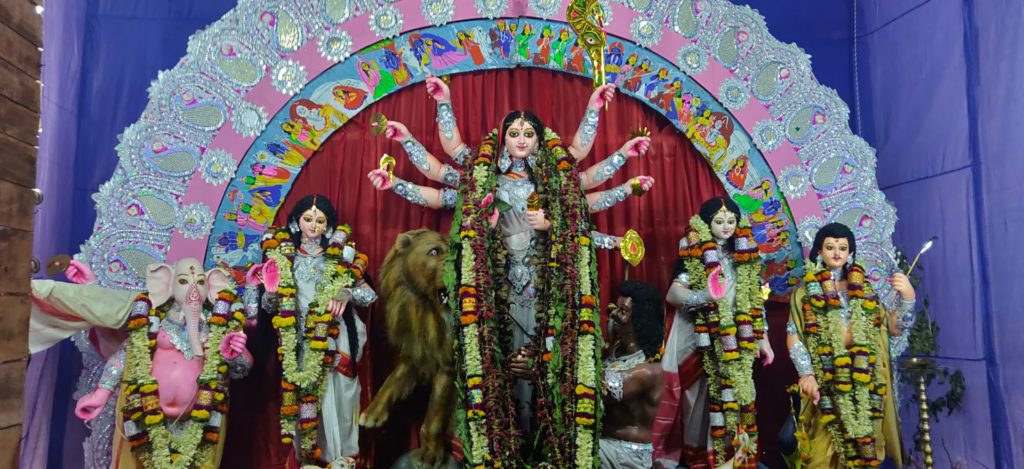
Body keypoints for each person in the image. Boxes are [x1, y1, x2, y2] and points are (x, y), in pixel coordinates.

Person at [366, 77, 652, 467]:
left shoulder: (554, 183)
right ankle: (501, 454)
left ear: (538, 140)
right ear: (502, 139)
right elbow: (439, 180)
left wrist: (618, 153)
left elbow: (590, 187)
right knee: (497, 375)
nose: (521, 139)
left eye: (528, 133)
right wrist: (402, 162)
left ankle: (546, 452)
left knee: (542, 371)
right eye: (514, 133)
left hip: (546, 297)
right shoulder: (483, 177)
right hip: (492, 298)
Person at [245, 194, 377, 467]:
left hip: (336, 339)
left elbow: (370, 296)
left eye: (320, 220)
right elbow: (271, 307)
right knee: (305, 405)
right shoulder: (283, 258)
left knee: (338, 400)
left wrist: (346, 292)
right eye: (308, 219)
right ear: (296, 222)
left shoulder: (342, 257)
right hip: (300, 343)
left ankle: (342, 460)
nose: (313, 226)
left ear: (329, 226)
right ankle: (309, 460)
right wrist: (270, 292)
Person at [653, 196, 773, 468]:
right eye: (719, 221)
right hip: (701, 338)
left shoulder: (746, 253)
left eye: (731, 220)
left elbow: (755, 299)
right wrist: (704, 296)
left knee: (740, 397)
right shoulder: (694, 250)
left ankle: (737, 458)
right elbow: (673, 294)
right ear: (707, 223)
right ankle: (705, 458)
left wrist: (764, 339)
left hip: (739, 341)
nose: (726, 226)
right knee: (701, 401)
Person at [785, 222, 912, 468]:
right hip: (826, 379)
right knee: (821, 452)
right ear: (819, 252)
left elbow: (892, 329)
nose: (836, 253)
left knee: (868, 447)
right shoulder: (805, 293)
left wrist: (907, 298)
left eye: (842, 247)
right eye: (830, 247)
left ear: (850, 252)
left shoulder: (865, 291)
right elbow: (794, 334)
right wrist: (807, 374)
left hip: (865, 379)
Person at [599, 280, 665, 469]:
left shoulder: (648, 369)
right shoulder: (615, 352)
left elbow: (602, 389)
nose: (613, 314)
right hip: (605, 444)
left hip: (627, 455)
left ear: (639, 321)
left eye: (622, 311)